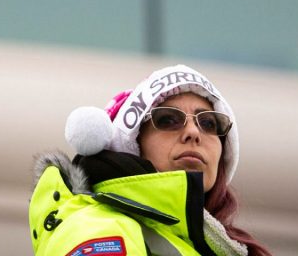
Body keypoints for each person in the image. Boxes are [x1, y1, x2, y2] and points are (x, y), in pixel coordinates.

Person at [29, 64, 273, 256]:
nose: (193, 133)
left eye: (208, 123)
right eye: (168, 120)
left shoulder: (219, 245)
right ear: (134, 145)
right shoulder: (98, 230)